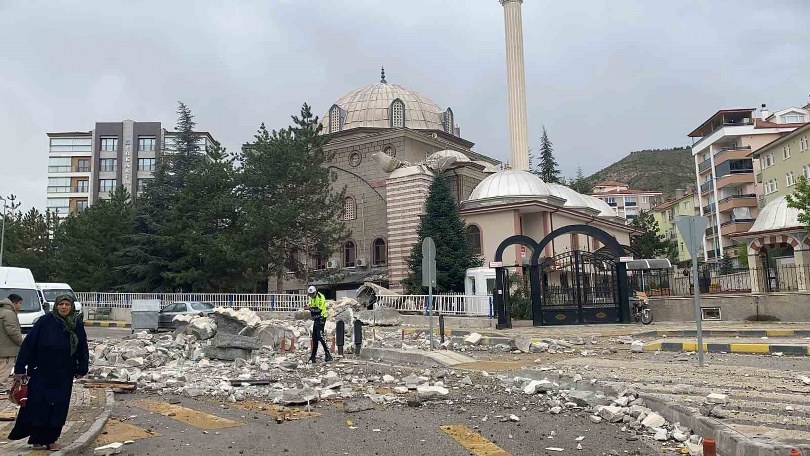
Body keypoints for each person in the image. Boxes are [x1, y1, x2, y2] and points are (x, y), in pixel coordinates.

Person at [9, 294, 89, 451]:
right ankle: (37, 439)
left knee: (59, 405)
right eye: (61, 304)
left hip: (64, 373)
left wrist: (82, 367)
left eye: (67, 304)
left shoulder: (76, 324)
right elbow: (28, 344)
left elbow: (82, 347)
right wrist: (20, 368)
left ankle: (51, 439)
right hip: (41, 371)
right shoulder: (45, 321)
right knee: (39, 404)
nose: (64, 307)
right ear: (56, 306)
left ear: (71, 306)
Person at [0, 294, 23, 389]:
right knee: (4, 368)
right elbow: (12, 331)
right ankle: (1, 387)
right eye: (20, 303)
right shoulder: (9, 313)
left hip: (2, 346)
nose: (20, 306)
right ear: (14, 302)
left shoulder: (2, 311)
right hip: (7, 348)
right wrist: (21, 342)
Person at [307, 286, 332, 363]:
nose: (311, 295)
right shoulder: (312, 298)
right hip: (316, 319)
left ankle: (328, 354)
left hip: (321, 318)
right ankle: (313, 356)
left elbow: (319, 309)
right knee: (314, 337)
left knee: (320, 336)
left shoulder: (320, 297)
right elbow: (311, 305)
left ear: (315, 292)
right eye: (310, 294)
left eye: (312, 294)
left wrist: (310, 308)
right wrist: (309, 307)